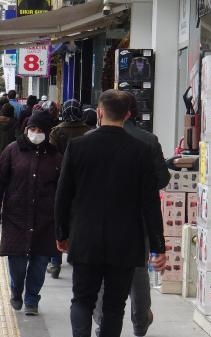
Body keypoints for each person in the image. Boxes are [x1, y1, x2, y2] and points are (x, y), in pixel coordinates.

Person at [54, 89, 166, 337]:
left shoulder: (78, 147)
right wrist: (158, 246)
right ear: (127, 115)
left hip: (85, 238)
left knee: (82, 300)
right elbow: (150, 203)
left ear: (99, 112)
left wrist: (61, 232)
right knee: (115, 307)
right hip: (126, 242)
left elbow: (63, 195)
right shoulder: (141, 151)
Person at [92, 91, 171, 337]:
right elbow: (161, 179)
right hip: (137, 219)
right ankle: (140, 321)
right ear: (131, 112)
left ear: (102, 111)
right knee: (137, 272)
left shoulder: (90, 139)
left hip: (99, 218)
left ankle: (100, 320)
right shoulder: (149, 140)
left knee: (101, 271)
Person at [0, 112, 61, 316]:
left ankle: (32, 299)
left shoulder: (55, 156)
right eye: (32, 129)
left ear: (47, 133)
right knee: (17, 263)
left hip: (46, 219)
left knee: (39, 263)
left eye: (40, 131)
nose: (36, 134)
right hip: (16, 216)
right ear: (26, 129)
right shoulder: (12, 151)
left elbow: (63, 189)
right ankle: (16, 290)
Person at [46, 99, 90, 280]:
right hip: (83, 183)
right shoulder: (88, 132)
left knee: (59, 219)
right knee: (79, 220)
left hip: (59, 181)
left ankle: (55, 262)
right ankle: (77, 257)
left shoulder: (56, 132)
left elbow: (49, 155)